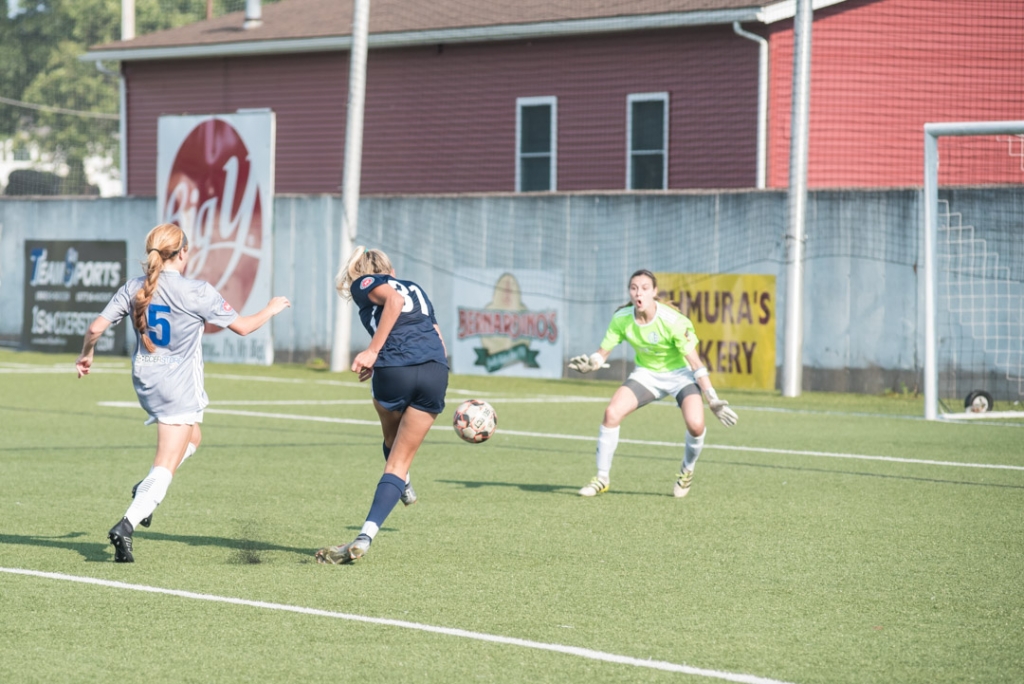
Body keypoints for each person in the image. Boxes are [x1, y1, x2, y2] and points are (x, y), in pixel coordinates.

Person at [76, 223, 291, 562]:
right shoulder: (197, 291)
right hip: (178, 387)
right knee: (165, 465)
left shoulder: (135, 286)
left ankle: (143, 490)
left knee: (194, 439)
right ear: (183, 253)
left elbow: (95, 328)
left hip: (147, 382)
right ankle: (127, 524)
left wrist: (87, 354)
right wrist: (272, 308)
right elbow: (244, 327)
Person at [315, 247, 449, 565]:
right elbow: (437, 335)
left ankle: (399, 484)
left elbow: (394, 301)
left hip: (396, 368)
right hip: (435, 368)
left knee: (392, 447)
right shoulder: (416, 287)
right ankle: (368, 532)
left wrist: (373, 352)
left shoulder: (365, 282)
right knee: (399, 459)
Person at [568, 269, 737, 498]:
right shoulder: (622, 318)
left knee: (696, 425)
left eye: (645, 288)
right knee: (611, 414)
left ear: (654, 292)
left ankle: (687, 471)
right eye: (634, 288)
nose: (639, 293)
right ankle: (602, 478)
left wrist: (712, 398)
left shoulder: (674, 322)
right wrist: (592, 363)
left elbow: (696, 363)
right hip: (646, 375)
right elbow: (602, 353)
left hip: (680, 376)